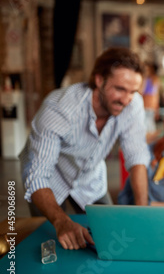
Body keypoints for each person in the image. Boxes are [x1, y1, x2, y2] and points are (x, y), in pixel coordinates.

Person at [19, 47, 150, 250]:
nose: (126, 99)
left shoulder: (133, 105)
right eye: (120, 89)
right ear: (99, 80)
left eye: (133, 91)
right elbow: (37, 176)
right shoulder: (59, 108)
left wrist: (143, 213)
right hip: (49, 179)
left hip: (90, 177)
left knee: (109, 235)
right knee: (49, 240)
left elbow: (136, 157)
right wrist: (61, 222)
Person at [141, 61, 161, 138]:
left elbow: (155, 95)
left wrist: (157, 108)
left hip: (148, 105)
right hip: (149, 105)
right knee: (149, 125)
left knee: (148, 126)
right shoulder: (153, 79)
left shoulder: (151, 79)